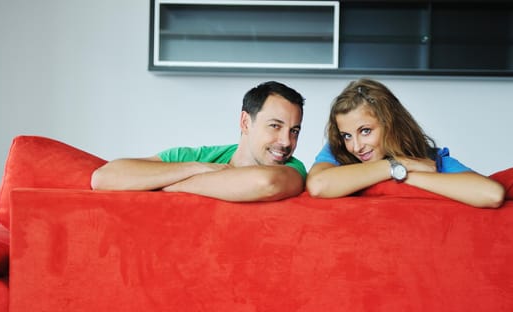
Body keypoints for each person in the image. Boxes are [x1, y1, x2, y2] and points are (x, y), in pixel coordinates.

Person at [91, 81, 307, 202]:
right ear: (245, 122)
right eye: (275, 126)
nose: (287, 141)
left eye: (294, 130)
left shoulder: (293, 169)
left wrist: (159, 184)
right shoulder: (197, 158)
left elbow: (266, 183)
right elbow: (104, 177)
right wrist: (197, 167)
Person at [306, 78, 505, 208]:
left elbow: (491, 194)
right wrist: (399, 166)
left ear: (390, 124)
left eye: (365, 131)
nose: (356, 146)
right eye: (347, 135)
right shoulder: (338, 150)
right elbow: (318, 185)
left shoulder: (431, 159)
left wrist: (405, 175)